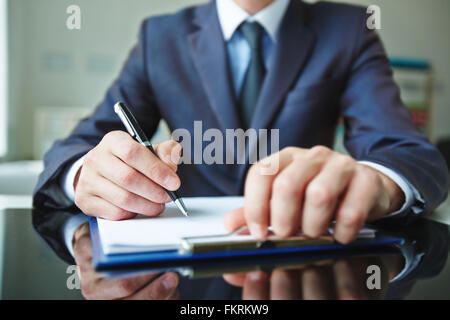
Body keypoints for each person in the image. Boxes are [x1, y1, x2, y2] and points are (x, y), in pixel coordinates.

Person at [33, 0, 449, 260]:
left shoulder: (348, 30)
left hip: (301, 261)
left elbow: (408, 153)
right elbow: (80, 145)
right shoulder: (160, 37)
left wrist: (378, 183)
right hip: (184, 272)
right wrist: (87, 173)